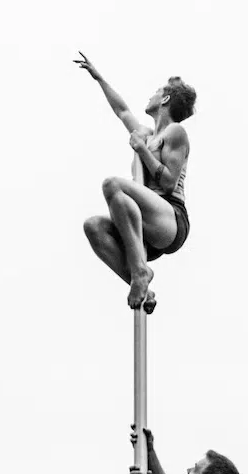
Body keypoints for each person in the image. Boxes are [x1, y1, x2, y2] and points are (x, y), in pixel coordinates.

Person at [76, 52, 195, 314]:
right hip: (145, 225)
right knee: (94, 227)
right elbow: (122, 111)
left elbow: (168, 182)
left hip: (169, 217)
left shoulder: (174, 132)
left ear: (165, 99)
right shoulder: (144, 133)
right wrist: (99, 78)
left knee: (113, 185)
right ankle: (140, 282)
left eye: (156, 92)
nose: (150, 96)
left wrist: (142, 150)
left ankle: (140, 271)